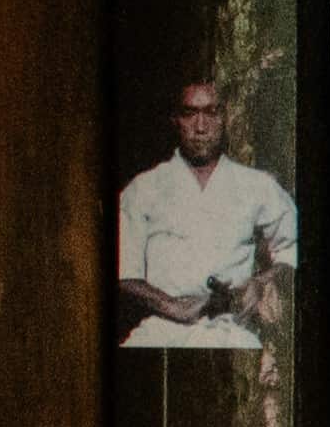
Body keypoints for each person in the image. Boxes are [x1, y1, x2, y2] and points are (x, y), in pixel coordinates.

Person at [117, 71, 299, 350]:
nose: (200, 127)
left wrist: (261, 283)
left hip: (230, 330)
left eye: (210, 113)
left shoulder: (256, 186)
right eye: (190, 114)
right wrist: (172, 306)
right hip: (162, 330)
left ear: (224, 118)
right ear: (175, 119)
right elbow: (125, 273)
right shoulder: (144, 189)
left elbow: (294, 250)